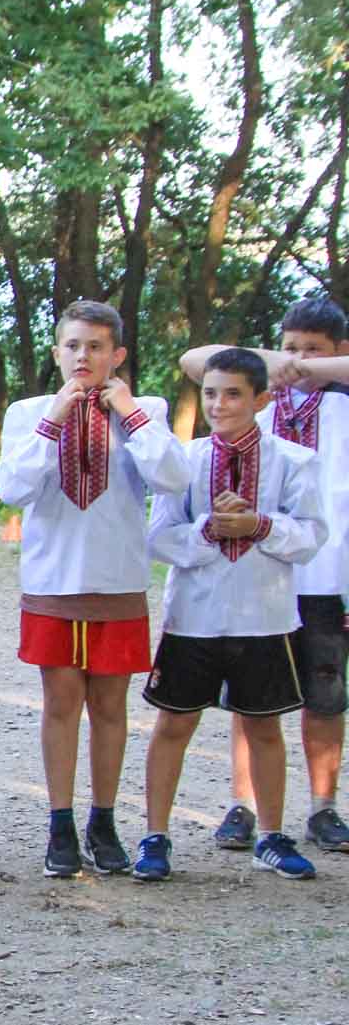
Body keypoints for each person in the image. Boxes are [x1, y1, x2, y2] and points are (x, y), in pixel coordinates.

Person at [0, 300, 188, 878]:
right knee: (60, 704)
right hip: (54, 582)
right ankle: (60, 823)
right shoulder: (30, 412)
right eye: (74, 345)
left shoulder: (145, 410)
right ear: (58, 352)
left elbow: (172, 477)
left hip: (117, 581)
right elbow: (13, 489)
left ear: (116, 354)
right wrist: (54, 417)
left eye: (96, 346)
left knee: (109, 707)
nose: (84, 356)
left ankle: (104, 821)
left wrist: (128, 411)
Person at [137, 348, 325, 882]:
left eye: (234, 394)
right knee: (174, 723)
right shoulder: (184, 461)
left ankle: (271, 835)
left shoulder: (294, 461)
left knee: (264, 726)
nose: (219, 405)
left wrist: (260, 526)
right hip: (194, 617)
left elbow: (312, 535)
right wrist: (208, 531)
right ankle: (156, 836)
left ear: (261, 400)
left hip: (264, 617)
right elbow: (159, 538)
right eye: (211, 393)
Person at [177, 297, 349, 855]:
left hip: (325, 576)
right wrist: (280, 363)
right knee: (253, 701)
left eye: (313, 350)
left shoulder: (342, 402)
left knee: (325, 696)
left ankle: (323, 806)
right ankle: (243, 804)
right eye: (289, 347)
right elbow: (195, 359)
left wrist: (312, 369)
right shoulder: (257, 398)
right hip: (258, 578)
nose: (298, 359)